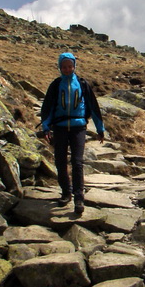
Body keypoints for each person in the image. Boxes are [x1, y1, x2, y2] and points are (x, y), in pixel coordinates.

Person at [40, 52, 105, 216]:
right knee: (60, 161)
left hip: (78, 127)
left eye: (70, 66)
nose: (68, 69)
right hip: (60, 128)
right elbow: (47, 108)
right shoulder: (55, 85)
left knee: (77, 162)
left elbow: (94, 107)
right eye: (64, 66)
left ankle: (79, 198)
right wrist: (46, 127)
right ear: (60, 67)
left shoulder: (82, 84)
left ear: (74, 66)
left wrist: (100, 129)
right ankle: (66, 193)